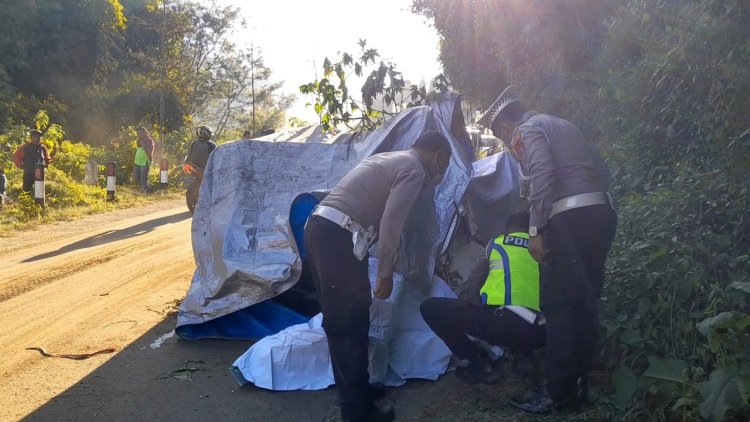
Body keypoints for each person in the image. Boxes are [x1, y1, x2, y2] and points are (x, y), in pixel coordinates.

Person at [477, 86, 617, 413]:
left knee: (559, 307)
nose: (509, 147)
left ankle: (558, 394)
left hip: (569, 220)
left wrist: (536, 228)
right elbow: (603, 169)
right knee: (584, 304)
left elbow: (542, 173)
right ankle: (578, 387)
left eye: (502, 138)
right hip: (600, 213)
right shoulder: (561, 125)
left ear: (506, 128)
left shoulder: (526, 131)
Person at [304, 131, 452, 422]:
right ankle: (357, 413)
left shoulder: (390, 158)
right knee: (349, 323)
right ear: (439, 157)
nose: (441, 173)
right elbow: (391, 224)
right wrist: (385, 272)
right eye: (444, 167)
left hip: (323, 230)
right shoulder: (414, 170)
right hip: (338, 238)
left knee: (344, 321)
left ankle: (356, 393)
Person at [420, 210, 545, 384]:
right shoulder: (545, 248)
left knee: (429, 308)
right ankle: (522, 356)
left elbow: (473, 285)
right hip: (543, 330)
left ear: (509, 229)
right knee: (522, 311)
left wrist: (470, 307)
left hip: (503, 324)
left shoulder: (497, 244)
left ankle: (481, 362)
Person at [133, 127, 154, 192]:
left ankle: (144, 191)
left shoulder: (149, 141)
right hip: (137, 162)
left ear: (145, 133)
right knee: (136, 178)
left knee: (143, 179)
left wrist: (144, 145)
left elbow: (149, 152)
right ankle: (148, 187)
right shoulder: (139, 141)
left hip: (145, 163)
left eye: (140, 133)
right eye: (137, 133)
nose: (138, 134)